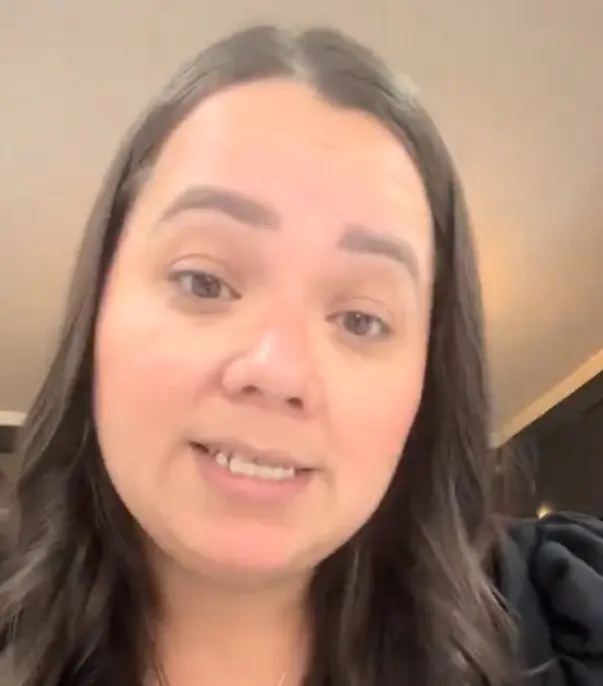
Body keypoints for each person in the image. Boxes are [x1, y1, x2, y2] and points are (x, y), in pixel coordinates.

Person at [0, 24, 601, 686]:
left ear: (427, 383)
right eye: (204, 282)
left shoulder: (568, 616)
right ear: (99, 305)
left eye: (361, 319)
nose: (277, 370)